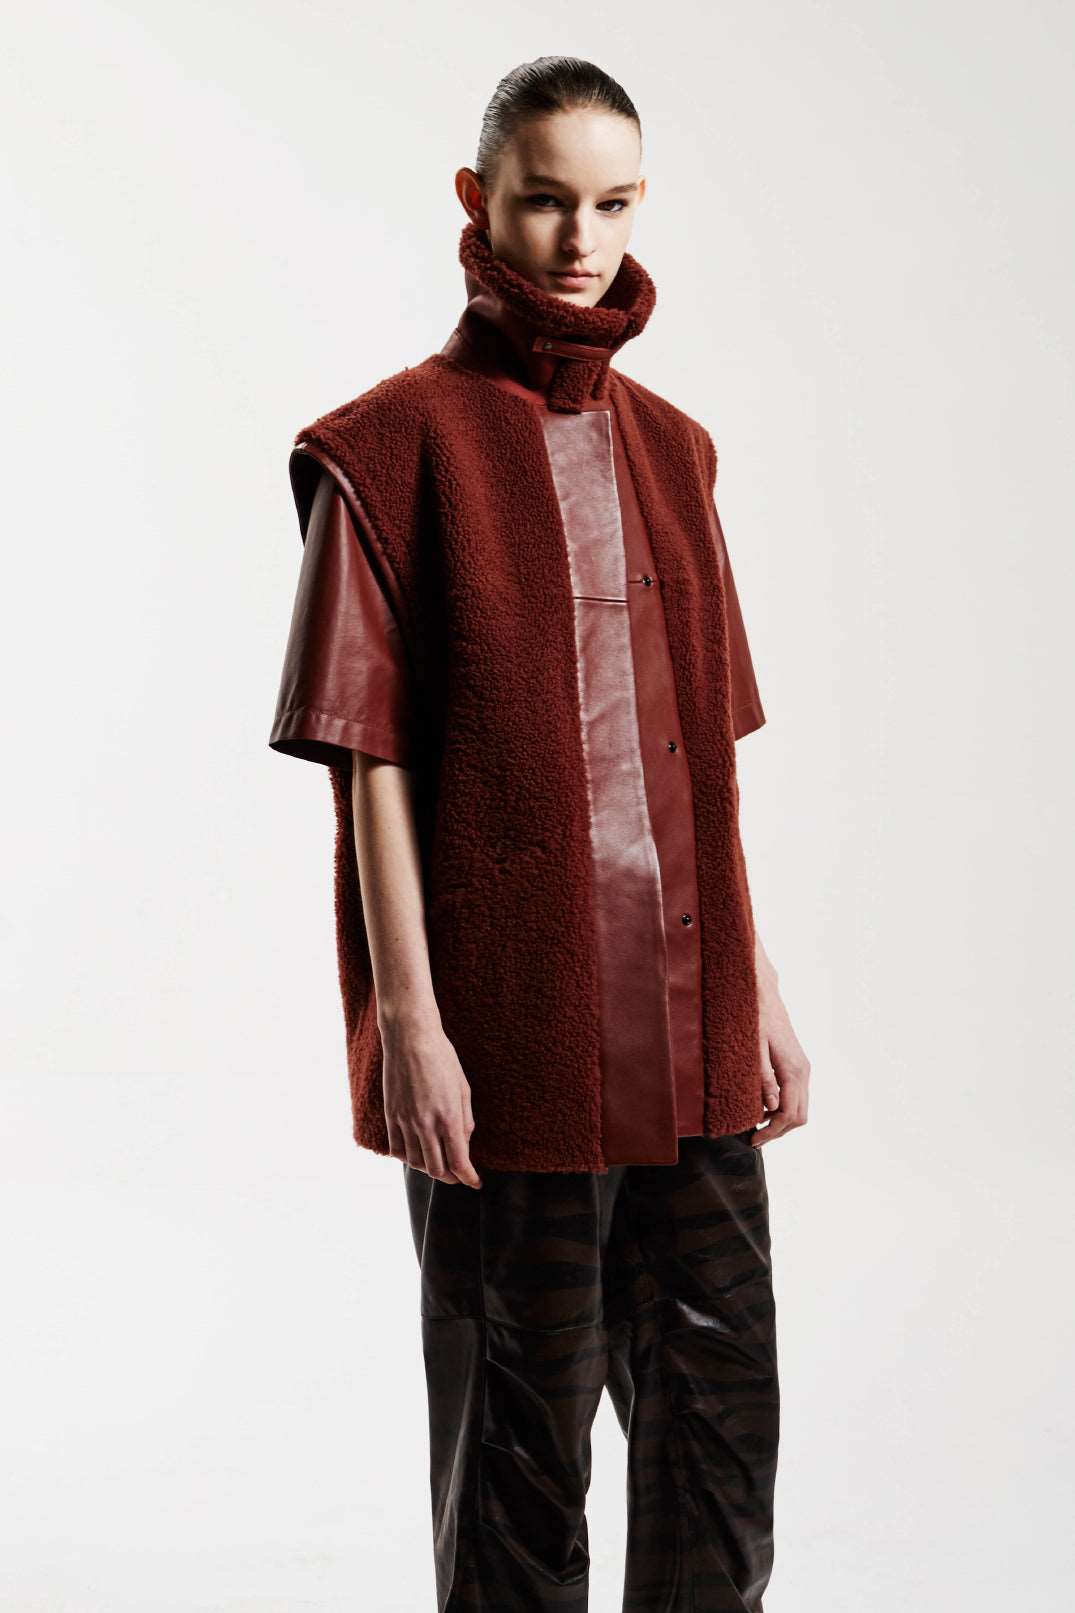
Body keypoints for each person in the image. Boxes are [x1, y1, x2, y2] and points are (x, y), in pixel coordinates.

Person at [269, 55, 810, 1613]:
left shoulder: (676, 450)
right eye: (548, 200)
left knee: (722, 1443)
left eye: (615, 204)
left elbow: (702, 770)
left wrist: (762, 999)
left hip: (691, 1035)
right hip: (513, 1041)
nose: (583, 240)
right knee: (517, 1461)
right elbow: (367, 763)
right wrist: (410, 1028)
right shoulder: (387, 450)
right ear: (478, 198)